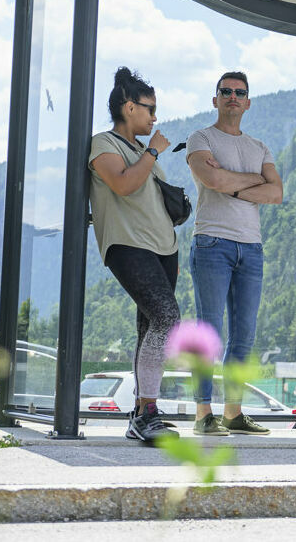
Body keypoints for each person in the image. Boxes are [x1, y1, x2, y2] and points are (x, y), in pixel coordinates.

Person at [184, 71, 281, 437]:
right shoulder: (201, 138)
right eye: (225, 91)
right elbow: (214, 182)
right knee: (210, 331)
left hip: (251, 247)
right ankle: (202, 414)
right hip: (212, 242)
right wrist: (251, 180)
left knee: (245, 335)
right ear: (215, 99)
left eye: (240, 92)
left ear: (248, 101)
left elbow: (277, 193)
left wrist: (232, 184)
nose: (232, 97)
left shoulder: (259, 147)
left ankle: (233, 413)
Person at [87, 67, 180, 444]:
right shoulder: (103, 144)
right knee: (168, 318)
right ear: (129, 107)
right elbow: (123, 184)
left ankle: (142, 415)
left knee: (151, 327)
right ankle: (147, 409)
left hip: (163, 247)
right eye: (149, 108)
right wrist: (155, 149)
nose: (154, 117)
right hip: (127, 245)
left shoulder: (141, 150)